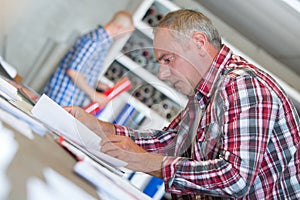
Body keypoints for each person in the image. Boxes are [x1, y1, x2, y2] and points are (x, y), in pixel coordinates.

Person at [66, 9, 300, 199]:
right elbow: (170, 143)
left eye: (168, 59)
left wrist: (145, 161)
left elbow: (235, 178)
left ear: (198, 43)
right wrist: (101, 128)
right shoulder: (204, 92)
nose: (163, 74)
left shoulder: (243, 86)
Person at [43, 11, 134, 107]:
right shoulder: (95, 41)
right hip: (61, 99)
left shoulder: (102, 43)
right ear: (119, 28)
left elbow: (82, 72)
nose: (124, 37)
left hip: (67, 101)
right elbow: (73, 72)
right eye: (126, 33)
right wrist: (95, 95)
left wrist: (98, 84)